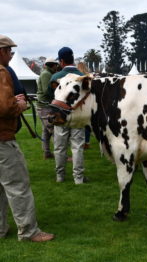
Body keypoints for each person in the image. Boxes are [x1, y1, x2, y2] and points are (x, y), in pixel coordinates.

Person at [0, 34, 54, 242]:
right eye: (9, 51)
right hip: (3, 140)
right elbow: (4, 107)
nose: (11, 55)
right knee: (18, 186)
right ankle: (29, 231)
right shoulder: (2, 72)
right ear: (2, 52)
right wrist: (19, 104)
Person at [49, 47, 87, 184]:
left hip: (60, 116)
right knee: (77, 147)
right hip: (77, 116)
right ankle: (78, 178)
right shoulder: (81, 75)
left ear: (61, 61)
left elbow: (50, 97)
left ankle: (60, 176)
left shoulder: (55, 77)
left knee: (59, 147)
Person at [36, 57, 58, 159]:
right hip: (45, 106)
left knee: (46, 131)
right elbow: (46, 91)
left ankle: (47, 153)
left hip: (43, 106)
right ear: (53, 65)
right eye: (56, 65)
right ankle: (61, 156)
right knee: (54, 131)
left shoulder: (47, 73)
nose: (57, 67)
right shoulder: (46, 74)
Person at [76, 62, 91, 150]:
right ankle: (87, 142)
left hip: (79, 102)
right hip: (87, 101)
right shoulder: (88, 76)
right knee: (87, 124)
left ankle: (79, 142)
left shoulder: (77, 77)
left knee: (79, 123)